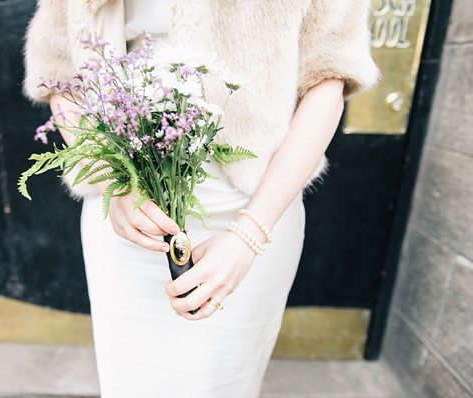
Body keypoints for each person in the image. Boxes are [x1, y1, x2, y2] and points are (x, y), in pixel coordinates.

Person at [22, 0, 379, 396]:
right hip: (128, 209)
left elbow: (327, 78)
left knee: (221, 382)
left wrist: (249, 234)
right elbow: (58, 72)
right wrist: (114, 182)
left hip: (250, 203)